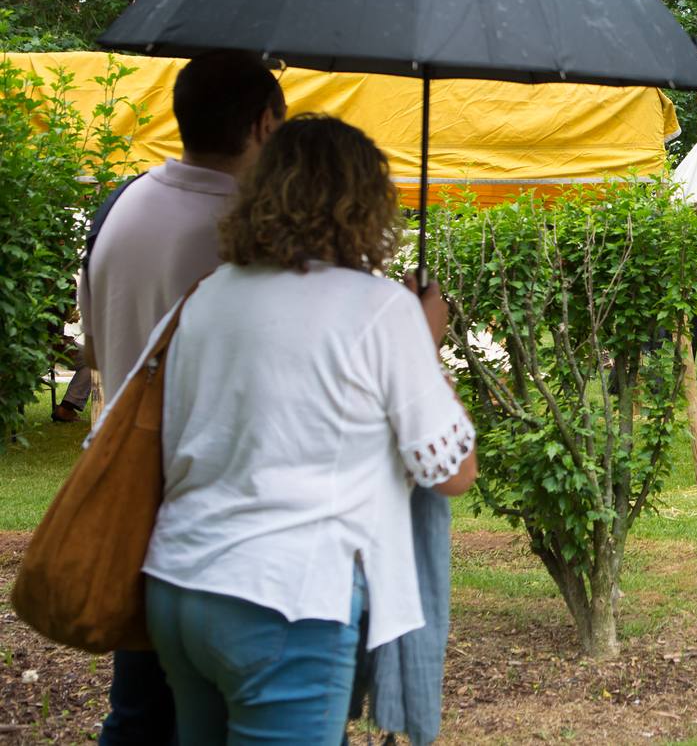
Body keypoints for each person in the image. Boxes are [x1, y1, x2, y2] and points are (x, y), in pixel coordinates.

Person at [138, 116, 476, 743]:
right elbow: (450, 472)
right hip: (286, 599)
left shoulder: (208, 294)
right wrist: (424, 342)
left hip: (179, 586)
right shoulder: (378, 309)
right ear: (364, 205)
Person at [78, 49, 286, 745]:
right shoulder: (249, 230)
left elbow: (94, 348)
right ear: (263, 124)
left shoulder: (122, 204)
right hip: (221, 514)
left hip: (128, 488)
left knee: (140, 713)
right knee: (245, 715)